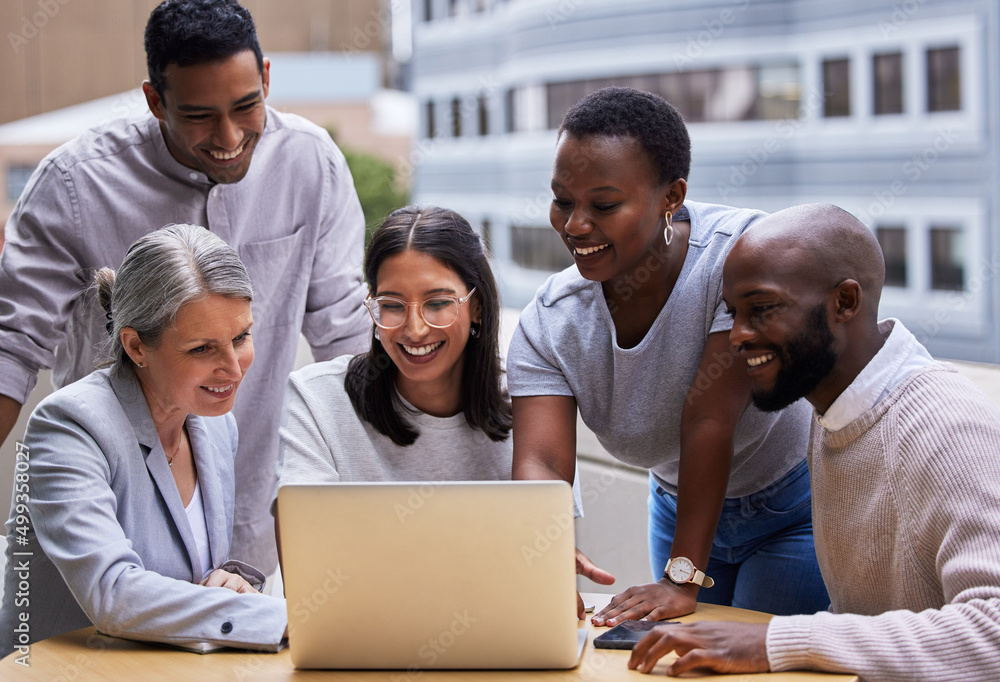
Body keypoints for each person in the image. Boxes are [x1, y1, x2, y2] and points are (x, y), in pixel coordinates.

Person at [0, 0, 369, 575]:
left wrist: (395, 493)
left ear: (266, 77)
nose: (228, 136)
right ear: (154, 101)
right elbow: (11, 347)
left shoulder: (311, 163)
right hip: (110, 502)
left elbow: (344, 334)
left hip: (251, 507)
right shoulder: (73, 184)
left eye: (247, 106)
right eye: (198, 115)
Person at [629, 203, 1000, 680]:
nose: (737, 336)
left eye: (762, 310)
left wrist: (776, 640)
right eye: (733, 313)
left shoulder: (948, 428)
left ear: (845, 302)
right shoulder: (830, 409)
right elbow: (860, 619)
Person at [507, 87, 828, 622]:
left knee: (756, 665)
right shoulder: (550, 319)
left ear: (672, 197)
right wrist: (544, 552)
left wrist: (681, 576)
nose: (575, 225)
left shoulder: (738, 256)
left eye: (603, 205)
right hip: (679, 503)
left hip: (790, 510)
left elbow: (709, 417)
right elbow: (543, 460)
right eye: (563, 200)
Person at [0, 225, 288, 656]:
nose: (233, 367)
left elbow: (179, 575)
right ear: (135, 346)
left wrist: (224, 581)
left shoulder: (212, 424)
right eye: (202, 349)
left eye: (240, 337)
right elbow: (113, 593)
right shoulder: (70, 425)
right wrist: (283, 618)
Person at [273, 207, 512, 525]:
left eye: (438, 303)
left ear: (477, 307)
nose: (415, 330)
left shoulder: (529, 401)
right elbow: (305, 548)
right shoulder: (317, 400)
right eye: (391, 305)